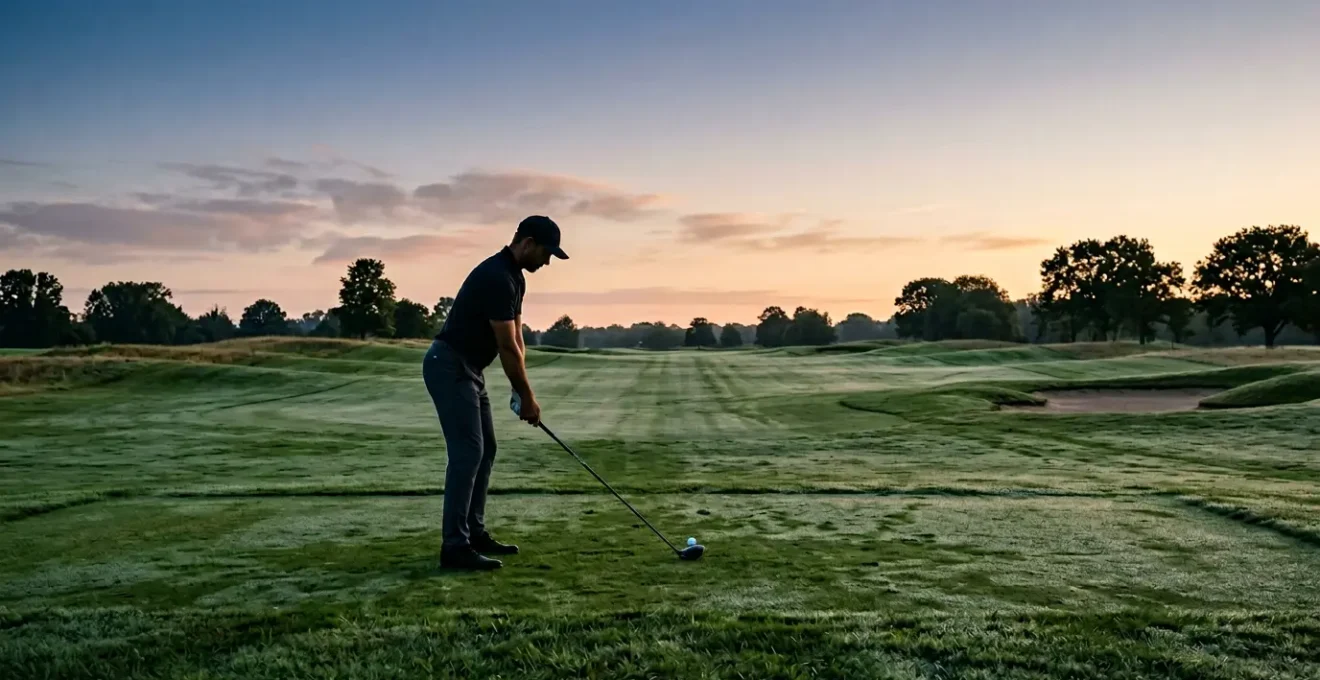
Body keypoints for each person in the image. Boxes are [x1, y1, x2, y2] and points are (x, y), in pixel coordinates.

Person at [422, 215, 568, 570]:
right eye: (546, 253)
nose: (548, 262)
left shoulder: (515, 278)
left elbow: (517, 340)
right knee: (468, 453)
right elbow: (505, 346)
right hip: (449, 366)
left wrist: (522, 392)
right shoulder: (495, 277)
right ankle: (454, 547)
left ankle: (473, 532)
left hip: (469, 370)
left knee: (486, 449)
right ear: (527, 242)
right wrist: (528, 397)